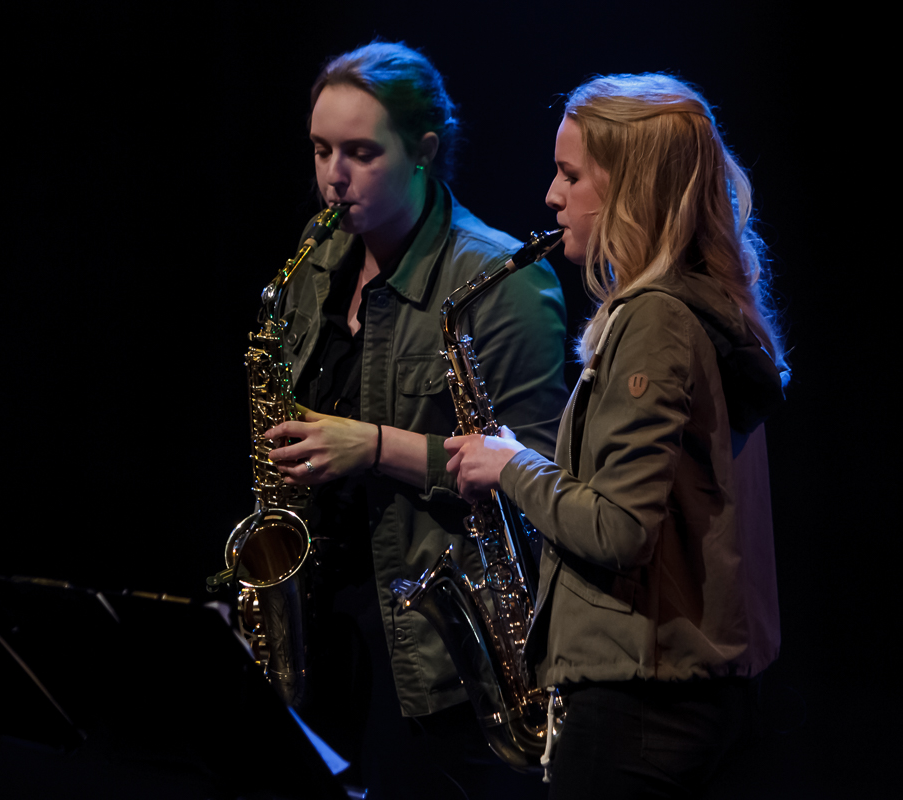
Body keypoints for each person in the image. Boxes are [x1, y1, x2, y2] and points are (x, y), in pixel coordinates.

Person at [445, 73, 789, 799]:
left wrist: (510, 467)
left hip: (637, 705)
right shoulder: (707, 306)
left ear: (632, 190)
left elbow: (621, 529)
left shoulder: (655, 318)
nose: (550, 195)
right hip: (690, 700)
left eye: (571, 175)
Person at [263, 42, 568, 799]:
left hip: (435, 649)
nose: (333, 174)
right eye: (321, 149)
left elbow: (538, 482)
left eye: (361, 153)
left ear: (424, 151)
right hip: (323, 617)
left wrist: (371, 448)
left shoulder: (502, 281)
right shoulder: (318, 254)